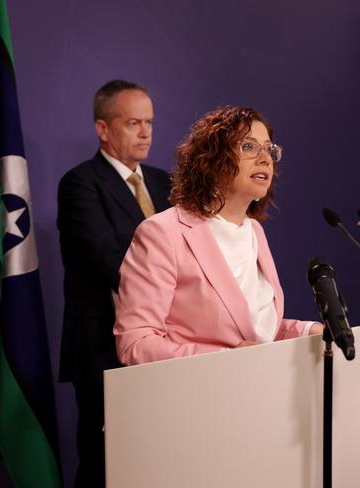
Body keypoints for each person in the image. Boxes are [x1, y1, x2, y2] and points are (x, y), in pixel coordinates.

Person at [114, 106, 323, 365]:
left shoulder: (254, 231)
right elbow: (136, 344)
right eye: (249, 147)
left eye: (269, 149)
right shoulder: (163, 233)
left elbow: (252, 330)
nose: (265, 158)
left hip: (257, 387)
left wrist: (310, 332)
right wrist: (225, 358)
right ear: (212, 160)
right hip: (198, 395)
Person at [57, 80, 171, 487]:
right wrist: (178, 281)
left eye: (150, 123)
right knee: (105, 462)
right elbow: (111, 259)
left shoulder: (165, 183)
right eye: (133, 123)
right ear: (102, 128)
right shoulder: (80, 184)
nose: (145, 133)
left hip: (166, 345)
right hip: (102, 348)